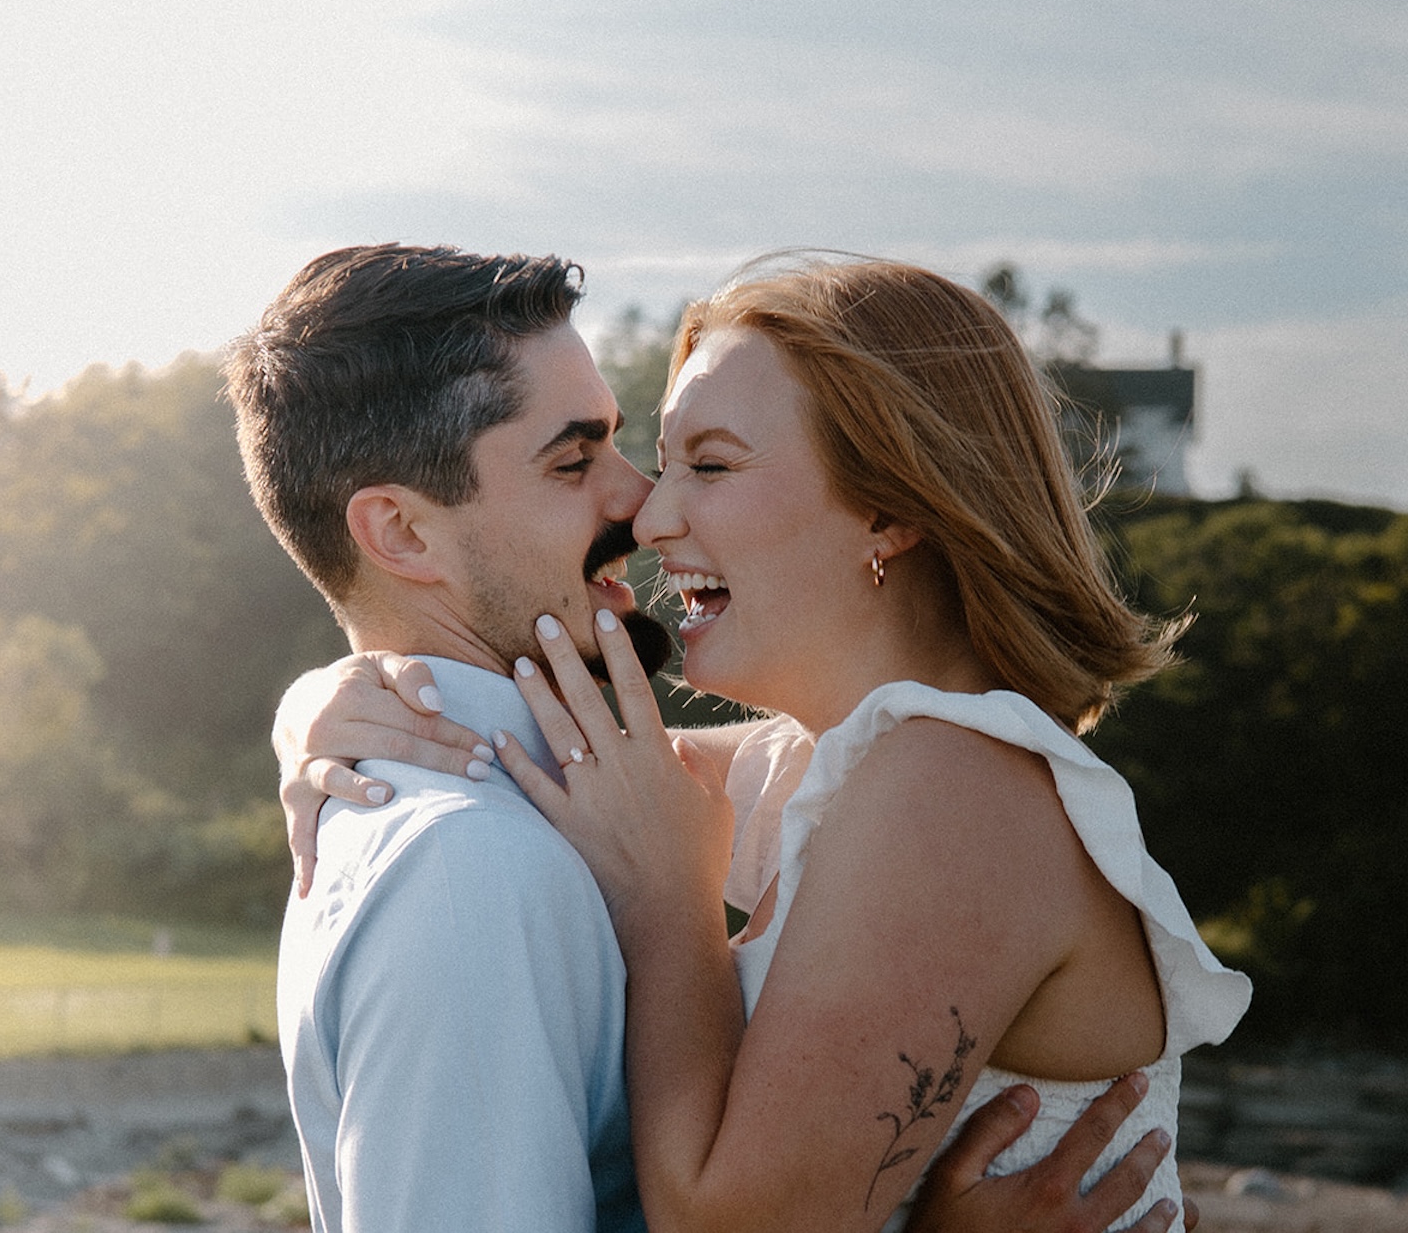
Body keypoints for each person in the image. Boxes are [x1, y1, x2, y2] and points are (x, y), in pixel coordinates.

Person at [233, 243, 1196, 1233]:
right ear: (397, 532)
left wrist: (674, 912)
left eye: (711, 464)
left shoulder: (950, 784)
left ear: (891, 504)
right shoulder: (836, 766)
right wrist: (323, 703)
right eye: (585, 458)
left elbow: (722, 1220)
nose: (649, 508)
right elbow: (593, 780)